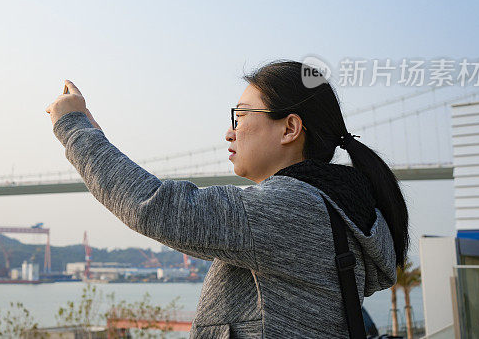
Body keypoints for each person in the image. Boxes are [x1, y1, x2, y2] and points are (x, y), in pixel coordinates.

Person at [46, 60, 407, 338]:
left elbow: (153, 206)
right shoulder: (336, 208)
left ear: (290, 128)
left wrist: (74, 128)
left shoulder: (289, 208)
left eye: (242, 114)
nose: (229, 131)